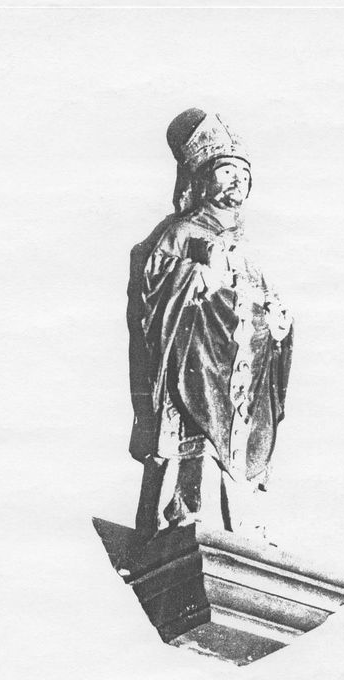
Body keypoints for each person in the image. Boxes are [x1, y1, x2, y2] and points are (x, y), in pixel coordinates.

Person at [127, 108, 293, 537]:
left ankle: (245, 521)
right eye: (227, 170)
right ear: (202, 179)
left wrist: (278, 319)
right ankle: (186, 507)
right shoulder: (180, 232)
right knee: (196, 433)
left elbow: (263, 299)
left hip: (245, 376)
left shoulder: (247, 247)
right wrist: (197, 276)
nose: (238, 179)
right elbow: (153, 290)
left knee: (244, 439)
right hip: (198, 364)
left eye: (244, 173)